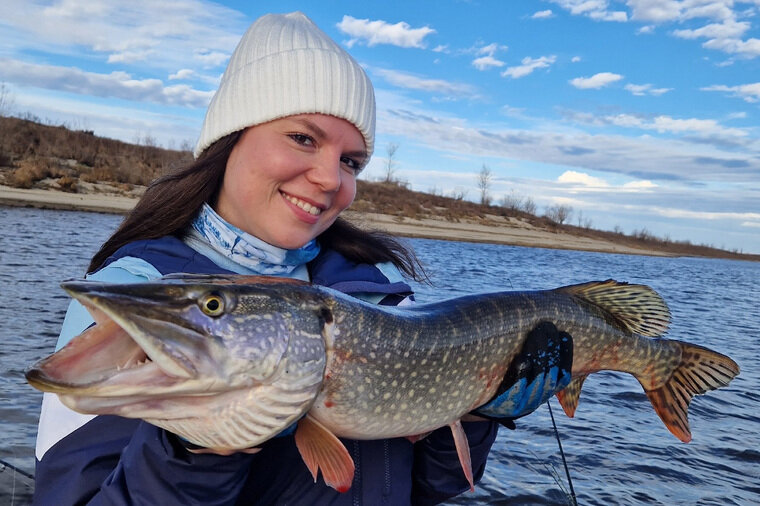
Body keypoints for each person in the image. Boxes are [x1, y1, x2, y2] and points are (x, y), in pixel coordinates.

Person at [32, 12, 572, 505]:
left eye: (352, 161)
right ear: (230, 139)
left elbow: (424, 490)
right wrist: (195, 449)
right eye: (301, 138)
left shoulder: (374, 294)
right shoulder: (135, 289)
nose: (330, 178)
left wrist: (476, 410)